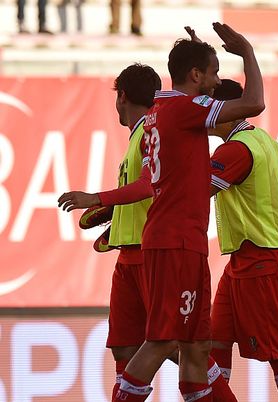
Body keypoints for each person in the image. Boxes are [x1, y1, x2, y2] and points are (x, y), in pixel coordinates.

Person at [56, 62, 237, 402]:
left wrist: (97, 198)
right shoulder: (142, 132)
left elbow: (147, 185)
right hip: (129, 254)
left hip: (152, 252)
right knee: (127, 348)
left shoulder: (151, 129)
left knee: (178, 346)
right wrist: (114, 218)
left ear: (121, 96)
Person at [107, 23, 264, 402]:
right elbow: (255, 103)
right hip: (175, 242)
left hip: (183, 241)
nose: (216, 81)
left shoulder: (163, 110)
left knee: (195, 349)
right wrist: (247, 52)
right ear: (195, 75)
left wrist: (201, 55)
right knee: (163, 341)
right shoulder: (183, 109)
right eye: (212, 73)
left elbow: (196, 93)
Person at [206, 79, 278, 402]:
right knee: (216, 342)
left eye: (211, 107)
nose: (206, 114)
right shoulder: (267, 143)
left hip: (261, 264)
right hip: (245, 262)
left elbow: (195, 192)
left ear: (225, 110)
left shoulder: (235, 150)